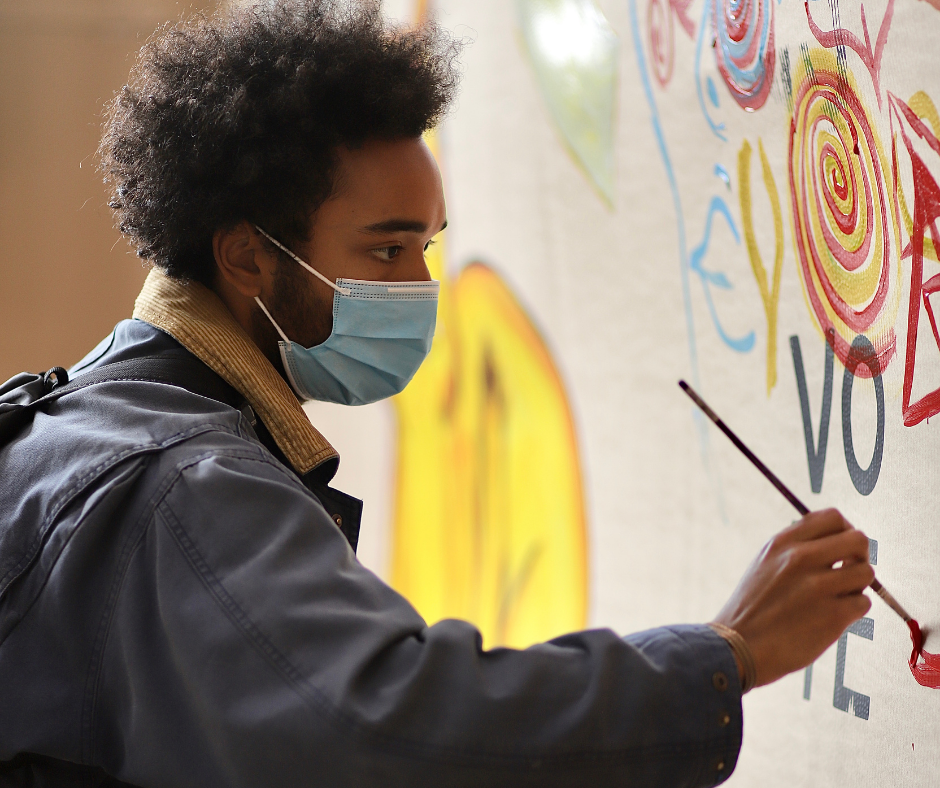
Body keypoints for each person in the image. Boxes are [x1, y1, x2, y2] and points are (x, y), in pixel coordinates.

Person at [0, 2, 874, 786]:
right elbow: (384, 727)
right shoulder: (188, 487)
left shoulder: (78, 420)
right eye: (386, 251)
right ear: (246, 256)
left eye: (427, 247)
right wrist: (725, 656)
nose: (421, 287)